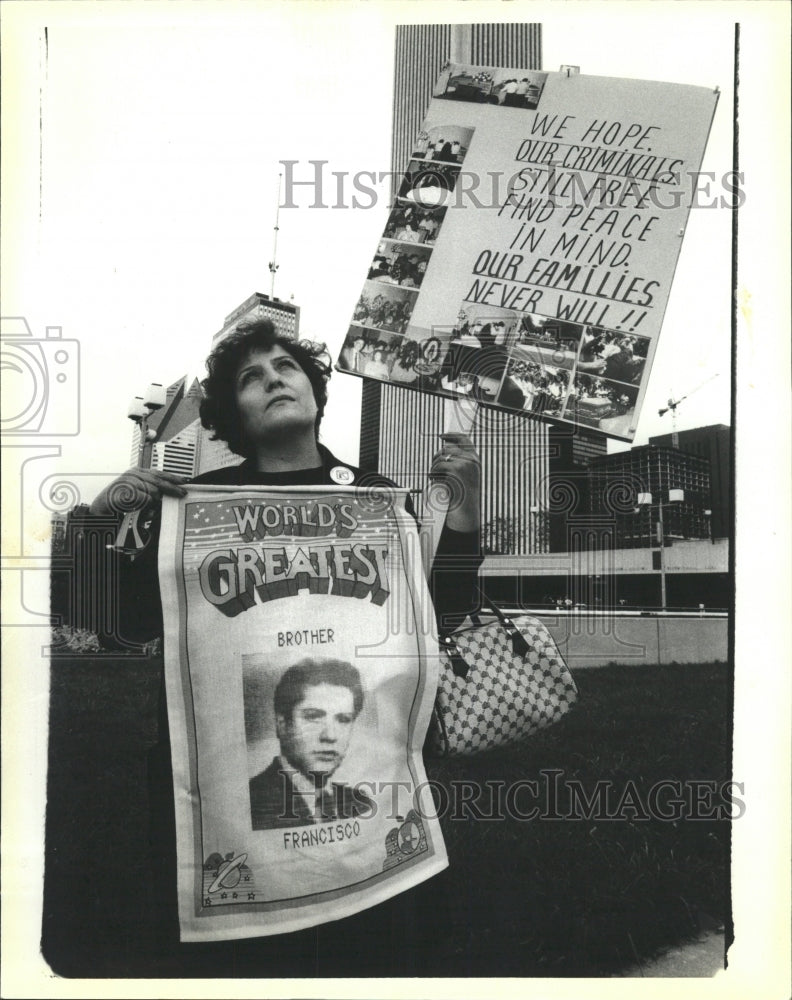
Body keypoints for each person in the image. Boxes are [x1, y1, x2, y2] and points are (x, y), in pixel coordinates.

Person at [80, 317, 482, 964]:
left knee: (377, 962)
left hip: (376, 816)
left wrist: (462, 518)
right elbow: (116, 622)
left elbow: (438, 615)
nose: (272, 379)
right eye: (251, 377)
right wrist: (99, 518)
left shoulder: (377, 500)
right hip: (224, 811)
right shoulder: (194, 502)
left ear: (317, 392)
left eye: (286, 367)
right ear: (231, 413)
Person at [249, 658, 375, 830]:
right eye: (313, 717)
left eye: (343, 720)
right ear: (282, 725)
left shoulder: (360, 803)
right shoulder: (252, 803)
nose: (330, 736)